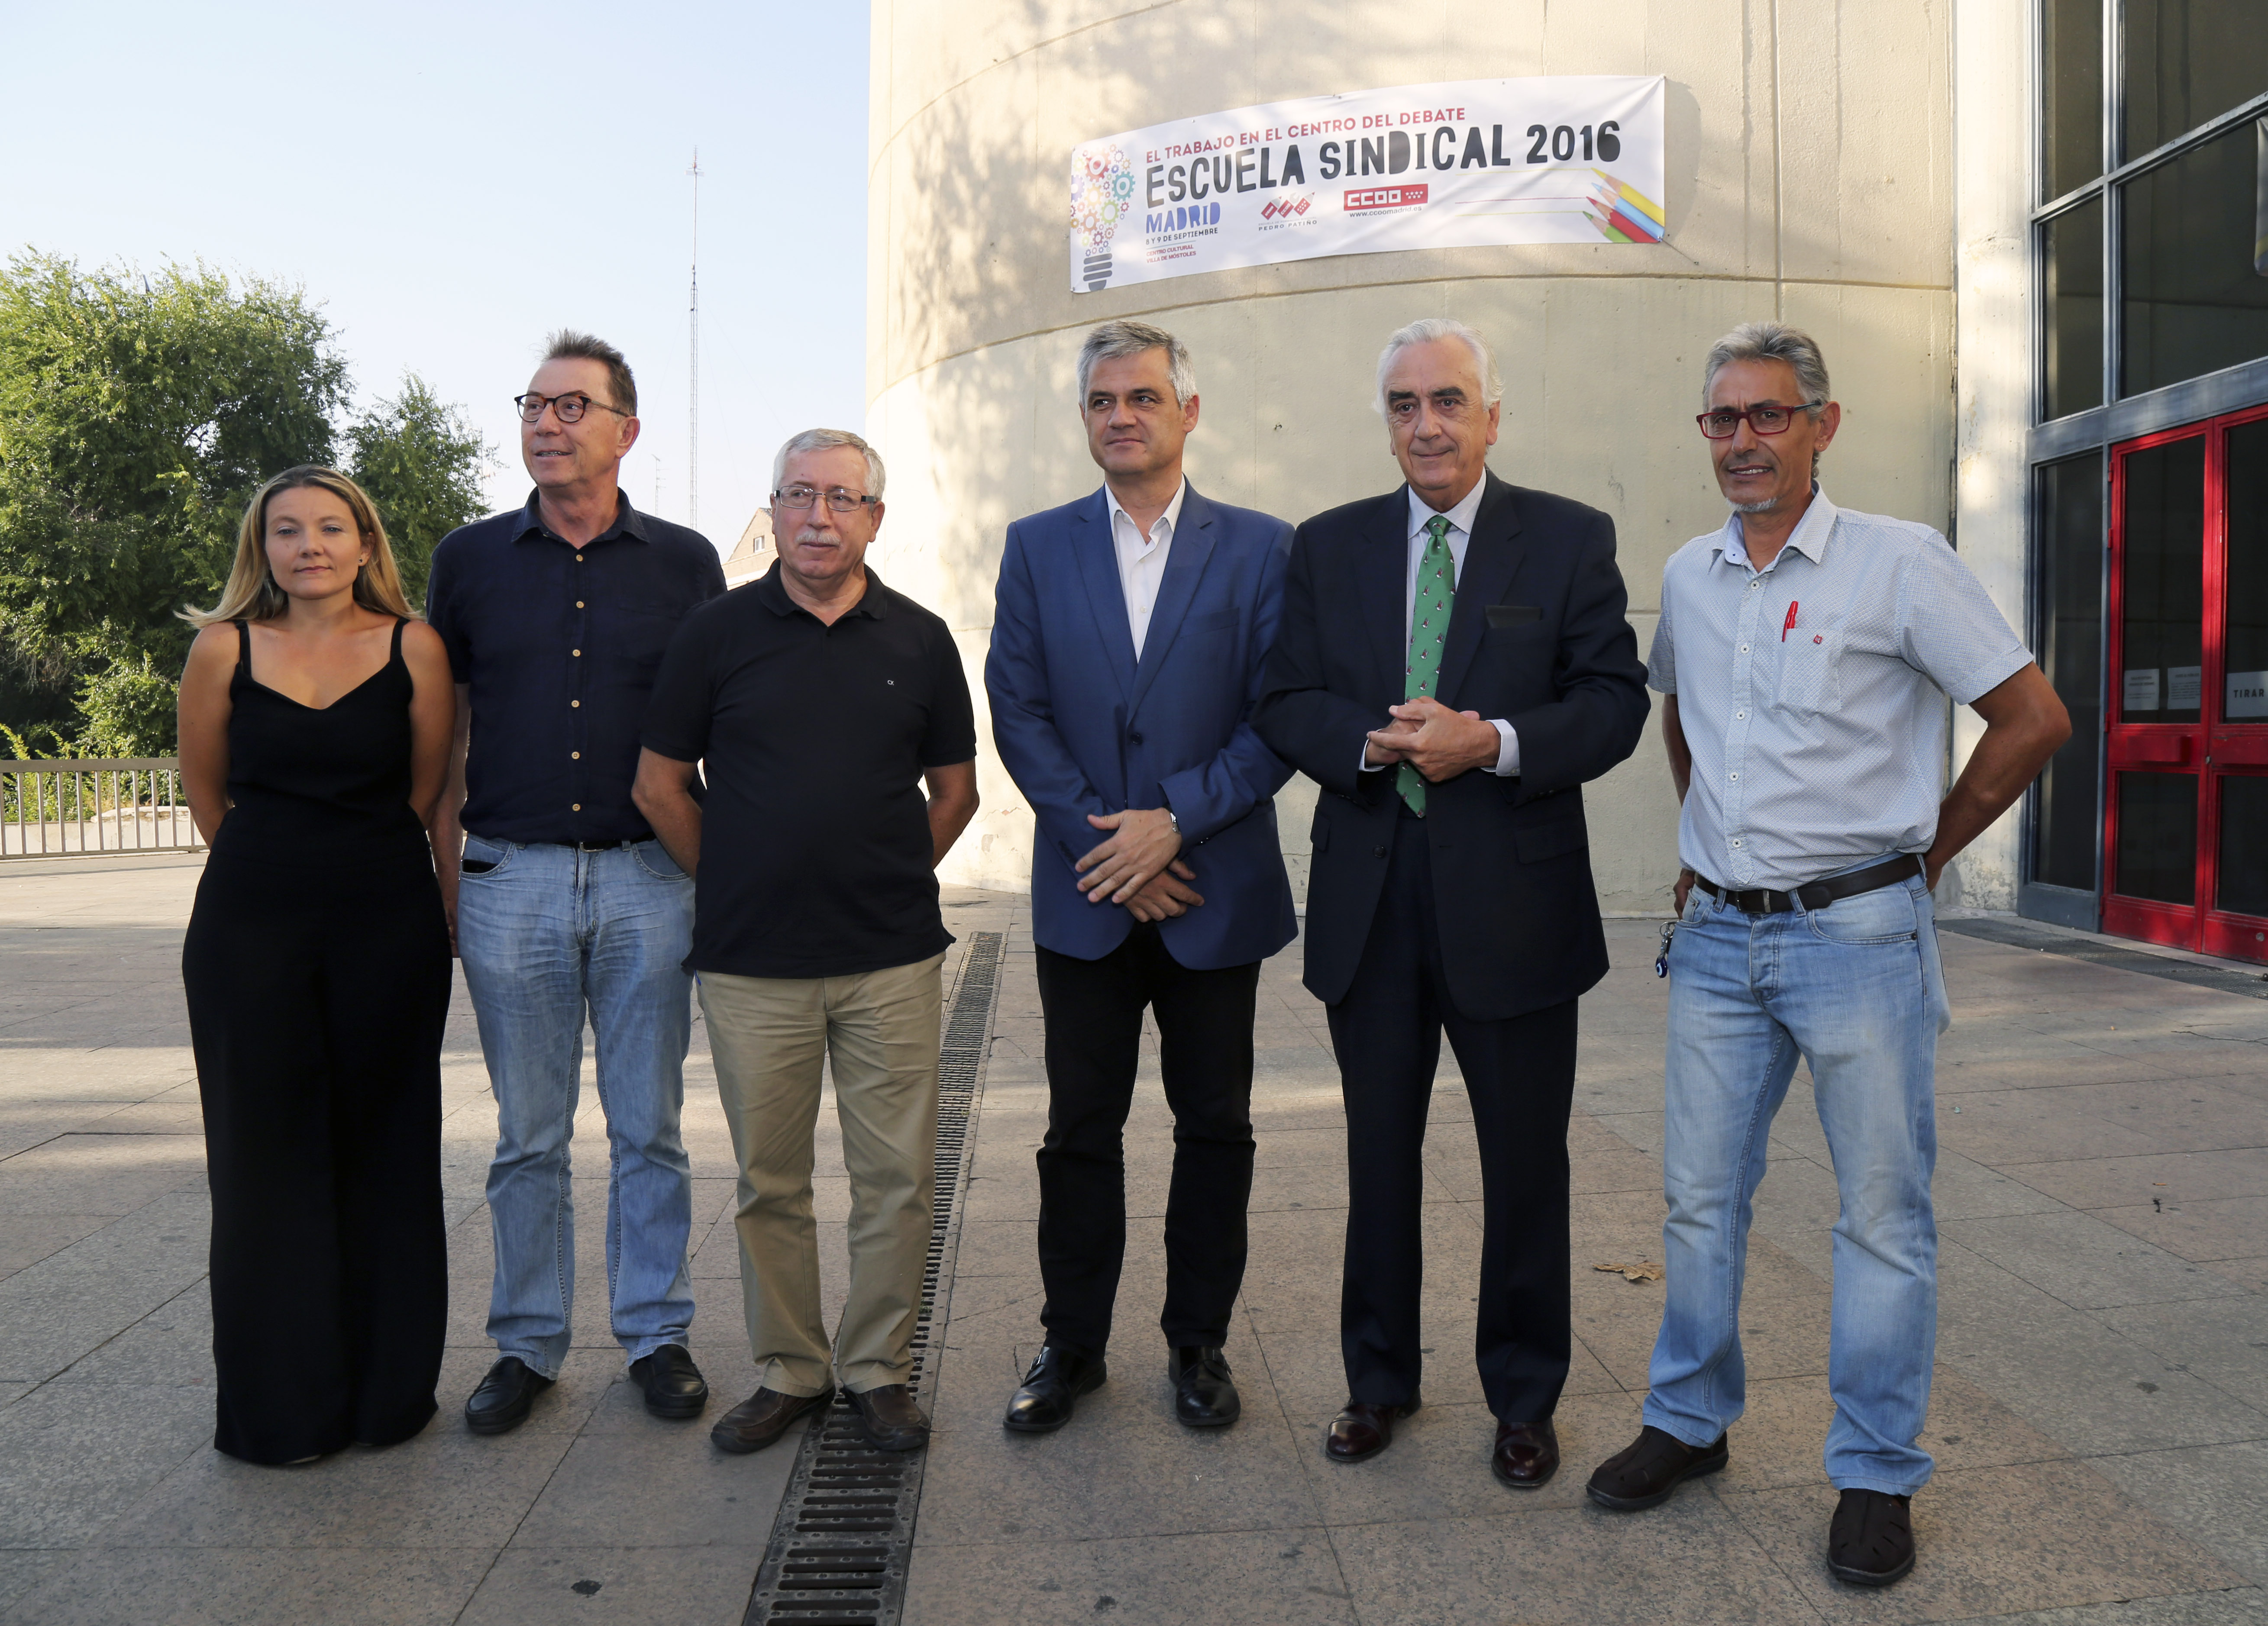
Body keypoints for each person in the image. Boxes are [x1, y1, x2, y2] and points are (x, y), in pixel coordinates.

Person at [1583, 321, 2070, 1586]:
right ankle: (1689, 1420)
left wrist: (1926, 855)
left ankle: (1874, 1471)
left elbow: (2030, 718)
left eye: (1769, 415)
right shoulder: (1689, 575)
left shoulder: (1900, 564)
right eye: (1723, 418)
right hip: (1715, 942)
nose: (1742, 440)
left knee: (1880, 1216)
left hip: (1858, 936)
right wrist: (1704, 840)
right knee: (1698, 1198)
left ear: (1822, 425)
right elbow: (1685, 714)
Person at [1252, 318, 1649, 1486]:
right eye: (1403, 404)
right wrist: (1366, 740)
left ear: (1491, 416)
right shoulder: (1327, 546)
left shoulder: (1568, 538)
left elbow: (1613, 702)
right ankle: (1376, 1380)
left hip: (1515, 912)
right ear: (1385, 422)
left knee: (1524, 1166)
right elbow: (1284, 699)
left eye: (1447, 400)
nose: (1425, 425)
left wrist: (1494, 741)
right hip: (1369, 907)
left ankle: (1523, 1397)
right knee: (1378, 1159)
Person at [633, 428, 979, 1456]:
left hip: (891, 960)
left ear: (875, 518)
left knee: (897, 1181)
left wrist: (883, 875)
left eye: (840, 498)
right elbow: (658, 785)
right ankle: (790, 1369)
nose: (818, 516)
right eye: (798, 495)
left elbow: (956, 793)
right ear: (774, 510)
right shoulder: (714, 634)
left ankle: (878, 1372)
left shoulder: (921, 639)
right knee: (769, 1184)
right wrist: (735, 881)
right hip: (753, 965)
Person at [986, 320, 1297, 1434]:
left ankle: (1198, 1343)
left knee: (1215, 1127)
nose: (1122, 415)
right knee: (1080, 1129)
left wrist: (1174, 826)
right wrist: (1108, 851)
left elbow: (1278, 717)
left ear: (1188, 412)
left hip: (1212, 890)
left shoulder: (1263, 548)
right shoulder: (1037, 546)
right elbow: (1018, 709)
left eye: (1144, 397)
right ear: (1085, 419)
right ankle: (1071, 1345)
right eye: (1102, 400)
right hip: (1088, 899)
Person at [426, 331, 726, 1435]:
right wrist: (449, 879)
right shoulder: (468, 560)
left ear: (625, 430)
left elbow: (719, 725)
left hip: (650, 878)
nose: (546, 424)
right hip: (512, 879)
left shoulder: (687, 562)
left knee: (650, 1127)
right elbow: (447, 732)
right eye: (533, 405)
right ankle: (527, 1343)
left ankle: (655, 1332)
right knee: (528, 1136)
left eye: (571, 407)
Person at [177, 465, 456, 1464]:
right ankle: (283, 1414)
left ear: (365, 543)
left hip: (387, 917)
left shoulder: (416, 647)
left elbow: (427, 791)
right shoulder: (222, 648)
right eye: (287, 530)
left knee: (388, 1148)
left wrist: (352, 869)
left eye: (331, 528)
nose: (310, 547)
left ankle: (387, 1400)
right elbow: (206, 794)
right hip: (250, 927)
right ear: (263, 549)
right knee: (263, 1160)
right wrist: (282, 873)